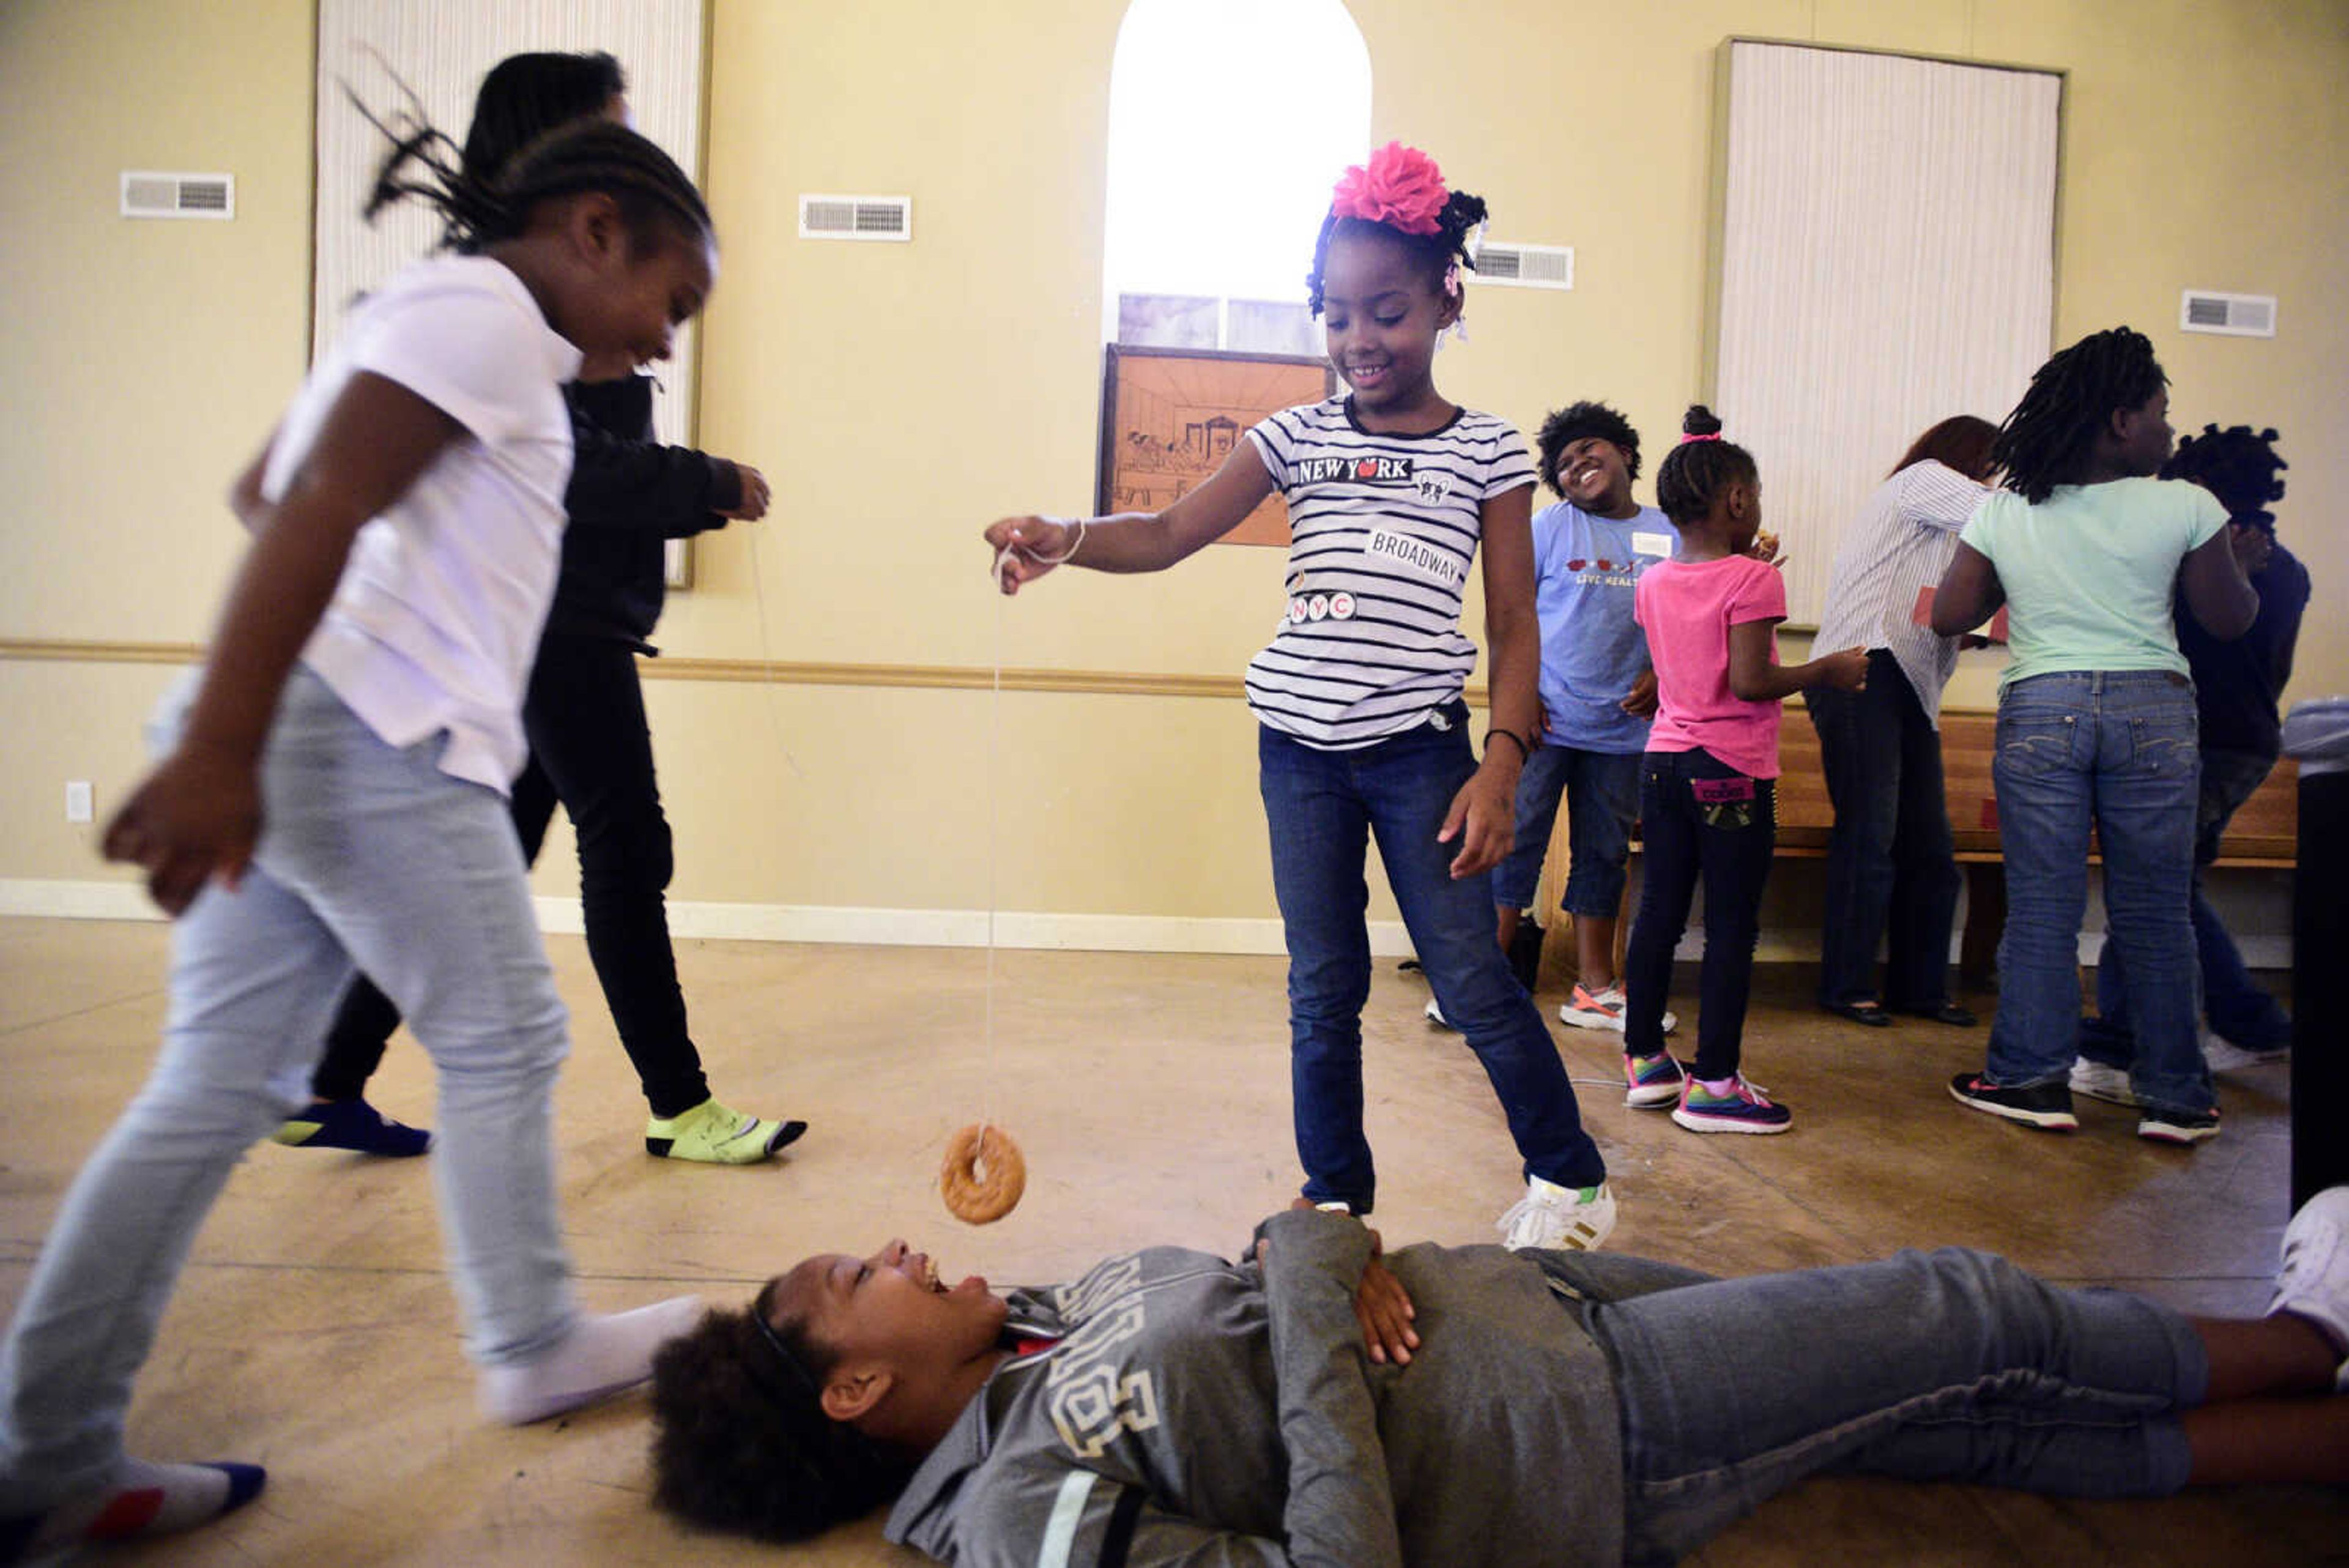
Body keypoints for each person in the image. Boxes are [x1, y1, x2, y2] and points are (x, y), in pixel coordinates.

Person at [0, 113, 722, 1561]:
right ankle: (527, 1340)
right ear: (594, 229)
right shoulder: (489, 316)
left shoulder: (431, 312)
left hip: (311, 719)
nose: (657, 344)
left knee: (218, 1081)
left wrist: (243, 721)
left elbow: (266, 482)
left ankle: (52, 1456)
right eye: (670, 301)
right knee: (507, 1036)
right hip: (375, 731)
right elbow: (320, 498)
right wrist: (219, 744)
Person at [984, 143, 1614, 1250]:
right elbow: (1170, 533)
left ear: (1443, 301)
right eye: (1337, 314)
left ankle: (1572, 1183)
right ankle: (1335, 1196)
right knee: (1323, 988)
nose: (1361, 340)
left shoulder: (1490, 452)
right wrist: (1066, 538)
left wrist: (1503, 760)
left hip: (1424, 753)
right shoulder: (1294, 435)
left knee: (1473, 981)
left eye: (1389, 312)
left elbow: (1517, 622)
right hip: (1298, 751)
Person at [642, 1190, 2349, 1563]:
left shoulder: (1032, 1313)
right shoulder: (1009, 1512)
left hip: (1527, 1301)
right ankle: (2313, 1330)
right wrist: (1312, 1275)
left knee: (1958, 1414)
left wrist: (1301, 1248)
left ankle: (2316, 1424)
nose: (891, 1247)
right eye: (851, 1282)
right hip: (1569, 1432)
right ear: (851, 1393)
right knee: (1960, 1307)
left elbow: (1255, 1267)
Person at [274, 50, 801, 1167]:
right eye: (610, 125)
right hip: (553, 621)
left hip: (545, 618)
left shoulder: (515, 290)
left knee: (501, 849)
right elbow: (568, 468)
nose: (664, 333)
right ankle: (682, 1102)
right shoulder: (516, 304)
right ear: (580, 192)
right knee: (626, 841)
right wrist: (706, 483)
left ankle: (323, 1079)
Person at [1934, 328, 2257, 1145]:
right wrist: (2240, 564)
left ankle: (2030, 1079)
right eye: (2161, 412)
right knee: (2154, 909)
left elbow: (1949, 614)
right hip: (2156, 710)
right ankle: (2177, 1097)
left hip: (2042, 706)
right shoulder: (2186, 504)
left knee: (2043, 907)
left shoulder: (2007, 509)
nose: (2169, 430)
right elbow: (2229, 618)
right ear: (2121, 420)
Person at [1618, 408, 1867, 1132]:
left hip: (1663, 765)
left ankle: (1647, 1062)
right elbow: (1753, 683)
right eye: (1753, 494)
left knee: (1661, 910)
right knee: (1731, 925)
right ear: (1736, 502)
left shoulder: (1655, 582)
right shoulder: (1754, 582)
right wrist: (1828, 668)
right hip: (1729, 774)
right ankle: (1717, 1085)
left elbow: (1685, 667)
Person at [1435, 401, 1680, 1042]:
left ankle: (1595, 988)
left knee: (1603, 855)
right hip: (1544, 723)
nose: (1577, 466)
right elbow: (1510, 617)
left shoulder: (1668, 533)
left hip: (1624, 733)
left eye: (1590, 451)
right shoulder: (1548, 528)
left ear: (1626, 453)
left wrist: (1662, 672)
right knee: (1510, 847)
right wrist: (1522, 700)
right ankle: (1477, 984)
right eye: (1564, 464)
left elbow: (1683, 621)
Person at [2074, 424, 2306, 1099]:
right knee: (2171, 886)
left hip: (2195, 738)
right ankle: (2252, 1023)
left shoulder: (2200, 555)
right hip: (2250, 741)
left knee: (2147, 887)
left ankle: (2121, 1046)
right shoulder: (2287, 567)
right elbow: (2278, 667)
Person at [1805, 417, 1998, 1030]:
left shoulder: (1942, 527)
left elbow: (1937, 608)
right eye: (1995, 464)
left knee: (1930, 848)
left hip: (1907, 681)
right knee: (1871, 836)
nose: (1998, 477)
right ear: (1972, 456)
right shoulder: (1924, 480)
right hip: (1865, 668)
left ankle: (1920, 988)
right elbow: (2003, 513)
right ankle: (1847, 986)